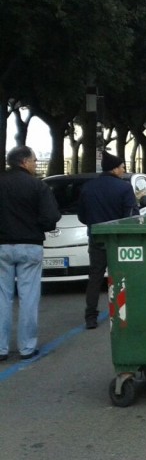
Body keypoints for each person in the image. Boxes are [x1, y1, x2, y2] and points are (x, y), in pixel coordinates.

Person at [0, 147, 60, 361]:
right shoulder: (38, 186)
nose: (36, 164)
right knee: (28, 297)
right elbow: (51, 217)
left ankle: (1, 348)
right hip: (30, 244)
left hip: (2, 246)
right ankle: (26, 347)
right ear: (24, 162)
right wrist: (38, 226)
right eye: (34, 160)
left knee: (2, 297)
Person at [78, 151, 139, 329]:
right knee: (123, 275)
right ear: (114, 169)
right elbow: (131, 215)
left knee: (95, 276)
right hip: (119, 239)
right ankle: (124, 311)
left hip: (96, 237)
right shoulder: (124, 188)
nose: (123, 170)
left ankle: (90, 316)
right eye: (122, 167)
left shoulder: (88, 187)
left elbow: (82, 215)